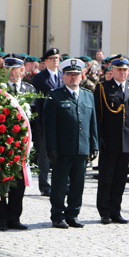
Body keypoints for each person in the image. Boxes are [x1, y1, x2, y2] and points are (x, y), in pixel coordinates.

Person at [44, 59, 99, 228]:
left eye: (76, 75)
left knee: (78, 184)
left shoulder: (88, 95)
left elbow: (92, 123)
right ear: (63, 77)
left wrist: (94, 144)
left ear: (81, 76)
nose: (73, 78)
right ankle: (57, 215)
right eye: (70, 75)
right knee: (59, 184)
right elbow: (49, 125)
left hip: (81, 147)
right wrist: (51, 147)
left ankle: (73, 213)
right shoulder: (54, 96)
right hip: (62, 149)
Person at [94, 56, 129, 224]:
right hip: (109, 141)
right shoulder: (102, 88)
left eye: (125, 70)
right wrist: (98, 138)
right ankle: (104, 212)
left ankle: (116, 210)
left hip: (127, 142)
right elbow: (98, 117)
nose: (122, 73)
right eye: (119, 70)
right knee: (106, 178)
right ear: (112, 71)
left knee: (120, 179)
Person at [0, 56, 36, 231]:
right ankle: (1, 219)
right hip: (1, 143)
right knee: (1, 181)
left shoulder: (29, 89)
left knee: (19, 183)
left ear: (23, 71)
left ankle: (14, 218)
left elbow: (36, 119)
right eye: (8, 69)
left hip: (22, 145)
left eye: (15, 69)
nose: (12, 72)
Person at [32, 48, 63, 197]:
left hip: (61, 121)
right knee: (44, 155)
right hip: (44, 120)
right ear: (45, 61)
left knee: (61, 154)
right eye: (52, 58)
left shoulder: (63, 76)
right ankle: (44, 185)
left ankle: (62, 183)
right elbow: (36, 101)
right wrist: (38, 121)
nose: (55, 60)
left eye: (57, 58)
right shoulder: (39, 78)